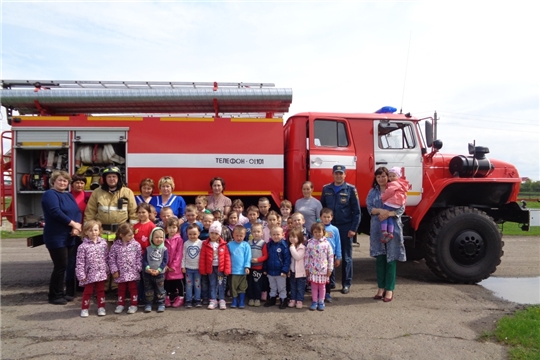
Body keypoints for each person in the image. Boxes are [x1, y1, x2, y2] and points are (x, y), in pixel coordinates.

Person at [84, 165, 137, 291]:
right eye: (109, 177)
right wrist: (88, 232)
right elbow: (90, 213)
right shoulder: (97, 193)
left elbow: (133, 213)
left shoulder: (127, 192)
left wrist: (132, 232)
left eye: (114, 176)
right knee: (102, 261)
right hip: (102, 234)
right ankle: (103, 287)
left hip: (121, 234)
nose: (112, 179)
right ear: (104, 179)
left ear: (119, 178)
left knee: (120, 261)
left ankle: (116, 287)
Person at [41, 170, 82, 305]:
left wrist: (76, 228)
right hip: (56, 237)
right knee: (60, 266)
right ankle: (54, 295)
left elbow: (77, 211)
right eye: (60, 180)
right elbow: (55, 212)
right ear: (53, 181)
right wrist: (73, 224)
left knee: (67, 265)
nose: (63, 183)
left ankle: (62, 292)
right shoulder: (49, 194)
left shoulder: (68, 196)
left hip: (70, 235)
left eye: (65, 181)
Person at [366, 167, 407, 303]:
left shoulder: (396, 188)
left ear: (388, 177)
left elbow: (401, 207)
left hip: (393, 227)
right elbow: (370, 208)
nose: (381, 179)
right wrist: (381, 210)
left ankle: (389, 289)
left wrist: (388, 214)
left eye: (383, 176)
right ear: (375, 179)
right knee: (380, 258)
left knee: (391, 258)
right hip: (378, 228)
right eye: (378, 177)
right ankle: (380, 288)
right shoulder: (373, 192)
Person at [320, 165, 361, 295]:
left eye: (340, 173)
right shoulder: (326, 189)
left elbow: (357, 212)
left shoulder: (350, 189)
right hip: (329, 227)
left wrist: (353, 229)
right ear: (333, 174)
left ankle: (346, 284)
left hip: (345, 227)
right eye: (336, 173)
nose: (338, 176)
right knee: (328, 255)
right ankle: (330, 282)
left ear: (345, 175)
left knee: (346, 257)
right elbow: (322, 209)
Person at [75, 220, 108, 317]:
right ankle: (85, 308)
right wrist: (81, 274)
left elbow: (106, 257)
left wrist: (107, 269)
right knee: (88, 291)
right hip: (89, 274)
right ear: (85, 232)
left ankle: (101, 307)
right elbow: (80, 262)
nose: (93, 232)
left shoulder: (103, 244)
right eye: (90, 230)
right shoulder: (82, 247)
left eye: (95, 230)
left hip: (101, 272)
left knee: (101, 290)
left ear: (99, 231)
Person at [108, 223, 142, 315]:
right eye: (129, 235)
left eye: (132, 234)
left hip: (132, 271)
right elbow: (111, 259)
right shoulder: (115, 246)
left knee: (133, 288)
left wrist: (138, 267)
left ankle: (134, 304)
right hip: (120, 272)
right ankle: (120, 304)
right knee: (121, 289)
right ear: (121, 235)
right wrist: (114, 270)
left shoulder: (136, 245)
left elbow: (139, 257)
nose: (132, 236)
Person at [199, 221, 231, 310]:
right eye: (211, 233)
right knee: (212, 284)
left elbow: (227, 258)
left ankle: (221, 299)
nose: (213, 235)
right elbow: (202, 258)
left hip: (220, 269)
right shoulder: (205, 244)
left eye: (216, 233)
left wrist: (227, 270)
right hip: (211, 269)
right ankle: (213, 300)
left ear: (219, 234)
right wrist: (203, 269)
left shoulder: (223, 245)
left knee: (221, 284)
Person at [305, 223, 334, 311]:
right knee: (314, 287)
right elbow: (307, 256)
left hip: (323, 270)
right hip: (313, 270)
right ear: (313, 233)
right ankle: (314, 301)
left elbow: (331, 257)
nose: (317, 234)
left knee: (322, 287)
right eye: (315, 232)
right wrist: (306, 267)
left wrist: (330, 268)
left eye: (319, 232)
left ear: (323, 232)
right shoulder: (310, 243)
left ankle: (321, 301)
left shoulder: (327, 244)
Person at [263, 227, 291, 309]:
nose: (276, 236)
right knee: (272, 287)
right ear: (270, 235)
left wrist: (284, 270)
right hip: (270, 271)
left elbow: (287, 260)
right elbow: (266, 257)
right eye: (273, 235)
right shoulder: (269, 245)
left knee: (281, 287)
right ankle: (272, 299)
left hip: (280, 272)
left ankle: (283, 300)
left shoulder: (284, 246)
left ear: (282, 235)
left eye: (278, 234)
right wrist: (265, 268)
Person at [142, 227, 169, 312]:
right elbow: (144, 260)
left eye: (161, 237)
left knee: (160, 289)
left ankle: (161, 303)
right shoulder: (148, 249)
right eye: (156, 237)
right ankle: (148, 303)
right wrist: (148, 269)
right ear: (151, 238)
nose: (159, 239)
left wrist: (159, 270)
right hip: (148, 273)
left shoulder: (164, 249)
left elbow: (165, 261)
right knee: (148, 289)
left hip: (159, 274)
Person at [380, 167, 409, 243]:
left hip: (391, 203)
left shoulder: (393, 184)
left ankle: (384, 231)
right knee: (390, 217)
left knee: (384, 215)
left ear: (398, 176)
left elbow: (389, 192)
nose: (391, 178)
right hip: (397, 204)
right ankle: (390, 233)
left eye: (393, 176)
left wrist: (383, 197)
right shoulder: (401, 184)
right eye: (390, 176)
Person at [320, 208, 342, 302]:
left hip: (330, 256)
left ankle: (327, 293)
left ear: (331, 217)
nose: (326, 219)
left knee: (328, 275)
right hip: (319, 256)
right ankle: (319, 293)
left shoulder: (334, 230)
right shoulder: (317, 228)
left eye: (328, 217)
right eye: (324, 217)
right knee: (320, 275)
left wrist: (338, 257)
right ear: (320, 217)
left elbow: (338, 243)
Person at [227, 226, 251, 309]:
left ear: (244, 236)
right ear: (233, 235)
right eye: (237, 235)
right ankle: (234, 301)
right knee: (233, 287)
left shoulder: (246, 245)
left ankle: (241, 301)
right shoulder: (229, 245)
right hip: (233, 271)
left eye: (241, 236)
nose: (239, 237)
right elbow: (227, 257)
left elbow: (248, 257)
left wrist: (247, 267)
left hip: (242, 271)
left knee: (242, 287)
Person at [164, 217, 184, 308]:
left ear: (177, 228)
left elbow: (179, 254)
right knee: (167, 282)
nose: (172, 229)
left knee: (178, 282)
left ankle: (180, 297)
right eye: (170, 227)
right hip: (166, 266)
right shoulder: (164, 239)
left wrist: (173, 265)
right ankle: (167, 297)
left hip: (175, 266)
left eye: (174, 227)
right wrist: (165, 265)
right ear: (166, 228)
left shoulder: (179, 240)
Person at [182, 224, 203, 308]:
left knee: (197, 284)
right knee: (189, 285)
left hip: (198, 269)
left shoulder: (201, 243)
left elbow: (203, 256)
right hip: (188, 268)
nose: (192, 236)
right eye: (190, 234)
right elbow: (183, 255)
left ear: (199, 233)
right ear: (187, 234)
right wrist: (183, 266)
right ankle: (188, 300)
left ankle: (197, 299)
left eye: (194, 234)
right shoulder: (186, 243)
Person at [246, 223, 267, 307]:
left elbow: (266, 255)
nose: (256, 233)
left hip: (259, 267)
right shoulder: (248, 242)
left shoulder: (263, 243)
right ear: (251, 232)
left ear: (262, 233)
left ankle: (257, 298)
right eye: (254, 231)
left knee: (257, 284)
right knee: (250, 284)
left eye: (258, 231)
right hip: (250, 267)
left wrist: (258, 259)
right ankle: (251, 298)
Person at [287, 228, 306, 309]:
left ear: (299, 238)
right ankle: (293, 299)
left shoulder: (302, 248)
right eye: (290, 237)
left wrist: (292, 248)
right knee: (293, 287)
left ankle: (299, 300)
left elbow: (297, 257)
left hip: (300, 272)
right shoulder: (290, 247)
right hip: (292, 271)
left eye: (294, 237)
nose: (292, 238)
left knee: (300, 287)